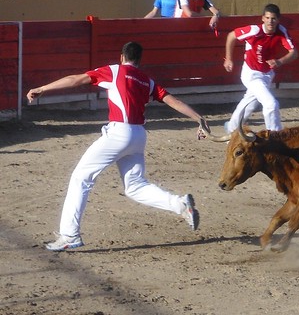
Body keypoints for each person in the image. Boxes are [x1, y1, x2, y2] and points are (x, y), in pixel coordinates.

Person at [26, 41, 207, 251]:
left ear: (122, 57)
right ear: (139, 60)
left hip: (118, 133)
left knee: (81, 178)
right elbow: (173, 101)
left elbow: (77, 79)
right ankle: (180, 204)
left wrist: (43, 88)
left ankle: (69, 235)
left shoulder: (114, 71)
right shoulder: (147, 81)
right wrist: (199, 118)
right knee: (135, 186)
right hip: (139, 135)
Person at [223, 4, 298, 133]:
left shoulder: (281, 31)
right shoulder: (254, 30)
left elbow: (294, 52)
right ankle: (275, 135)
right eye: (268, 18)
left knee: (249, 103)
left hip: (267, 74)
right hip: (251, 74)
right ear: (263, 18)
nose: (270, 21)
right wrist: (228, 58)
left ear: (278, 19)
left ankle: (231, 128)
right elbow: (231, 36)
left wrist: (280, 61)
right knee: (271, 104)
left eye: (273, 18)